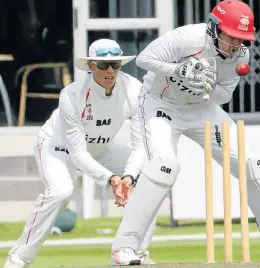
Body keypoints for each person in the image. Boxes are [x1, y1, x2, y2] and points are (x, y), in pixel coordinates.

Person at [109, 0, 260, 266]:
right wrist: (177, 71)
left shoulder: (241, 55)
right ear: (214, 28)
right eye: (232, 37)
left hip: (203, 108)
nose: (236, 45)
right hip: (161, 104)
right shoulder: (188, 37)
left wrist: (203, 86)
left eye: (242, 39)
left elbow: (223, 96)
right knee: (163, 167)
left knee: (255, 165)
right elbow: (145, 58)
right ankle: (124, 248)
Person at [4, 39, 156, 268]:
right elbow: (78, 155)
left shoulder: (134, 90)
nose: (110, 70)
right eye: (103, 65)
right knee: (61, 192)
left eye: (115, 64)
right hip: (57, 147)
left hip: (102, 147)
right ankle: (18, 258)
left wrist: (129, 176)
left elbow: (141, 145)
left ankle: (131, 252)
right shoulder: (72, 96)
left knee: (150, 178)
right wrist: (111, 179)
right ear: (91, 66)